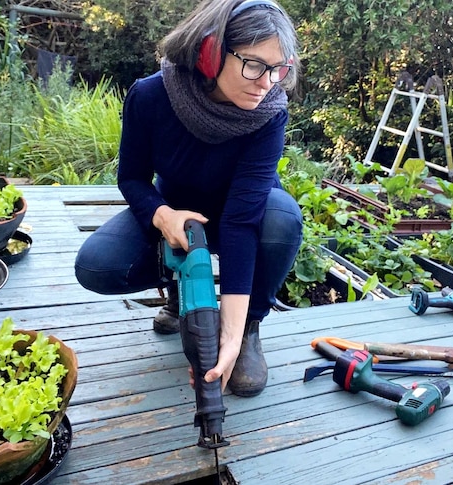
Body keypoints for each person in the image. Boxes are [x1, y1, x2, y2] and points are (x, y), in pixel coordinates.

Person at [74, 0, 303, 398]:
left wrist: (228, 336)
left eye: (278, 68)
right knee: (98, 266)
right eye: (253, 64)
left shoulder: (269, 112)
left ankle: (249, 327)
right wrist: (162, 215)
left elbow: (240, 221)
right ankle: (182, 296)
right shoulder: (150, 96)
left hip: (248, 211)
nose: (267, 82)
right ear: (210, 52)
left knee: (282, 220)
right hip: (176, 206)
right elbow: (131, 177)